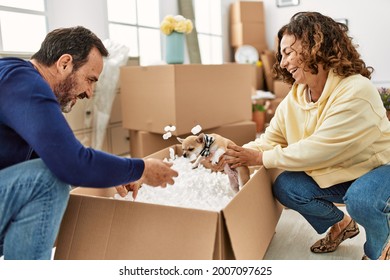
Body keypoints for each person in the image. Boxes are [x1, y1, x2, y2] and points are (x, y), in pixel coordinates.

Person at [0, 26, 178, 260]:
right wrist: (140, 169)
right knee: (49, 181)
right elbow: (70, 163)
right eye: (89, 79)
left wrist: (115, 174)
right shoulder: (23, 82)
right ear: (64, 63)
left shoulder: (17, 80)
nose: (89, 93)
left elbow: (60, 157)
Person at [225, 12, 390, 260]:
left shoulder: (356, 90)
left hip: (379, 168)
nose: (282, 63)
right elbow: (270, 139)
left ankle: (379, 252)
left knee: (361, 199)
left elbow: (319, 150)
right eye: (281, 55)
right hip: (342, 170)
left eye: (288, 53)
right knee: (286, 186)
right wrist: (235, 155)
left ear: (315, 47)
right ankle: (342, 225)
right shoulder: (296, 97)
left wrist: (258, 158)